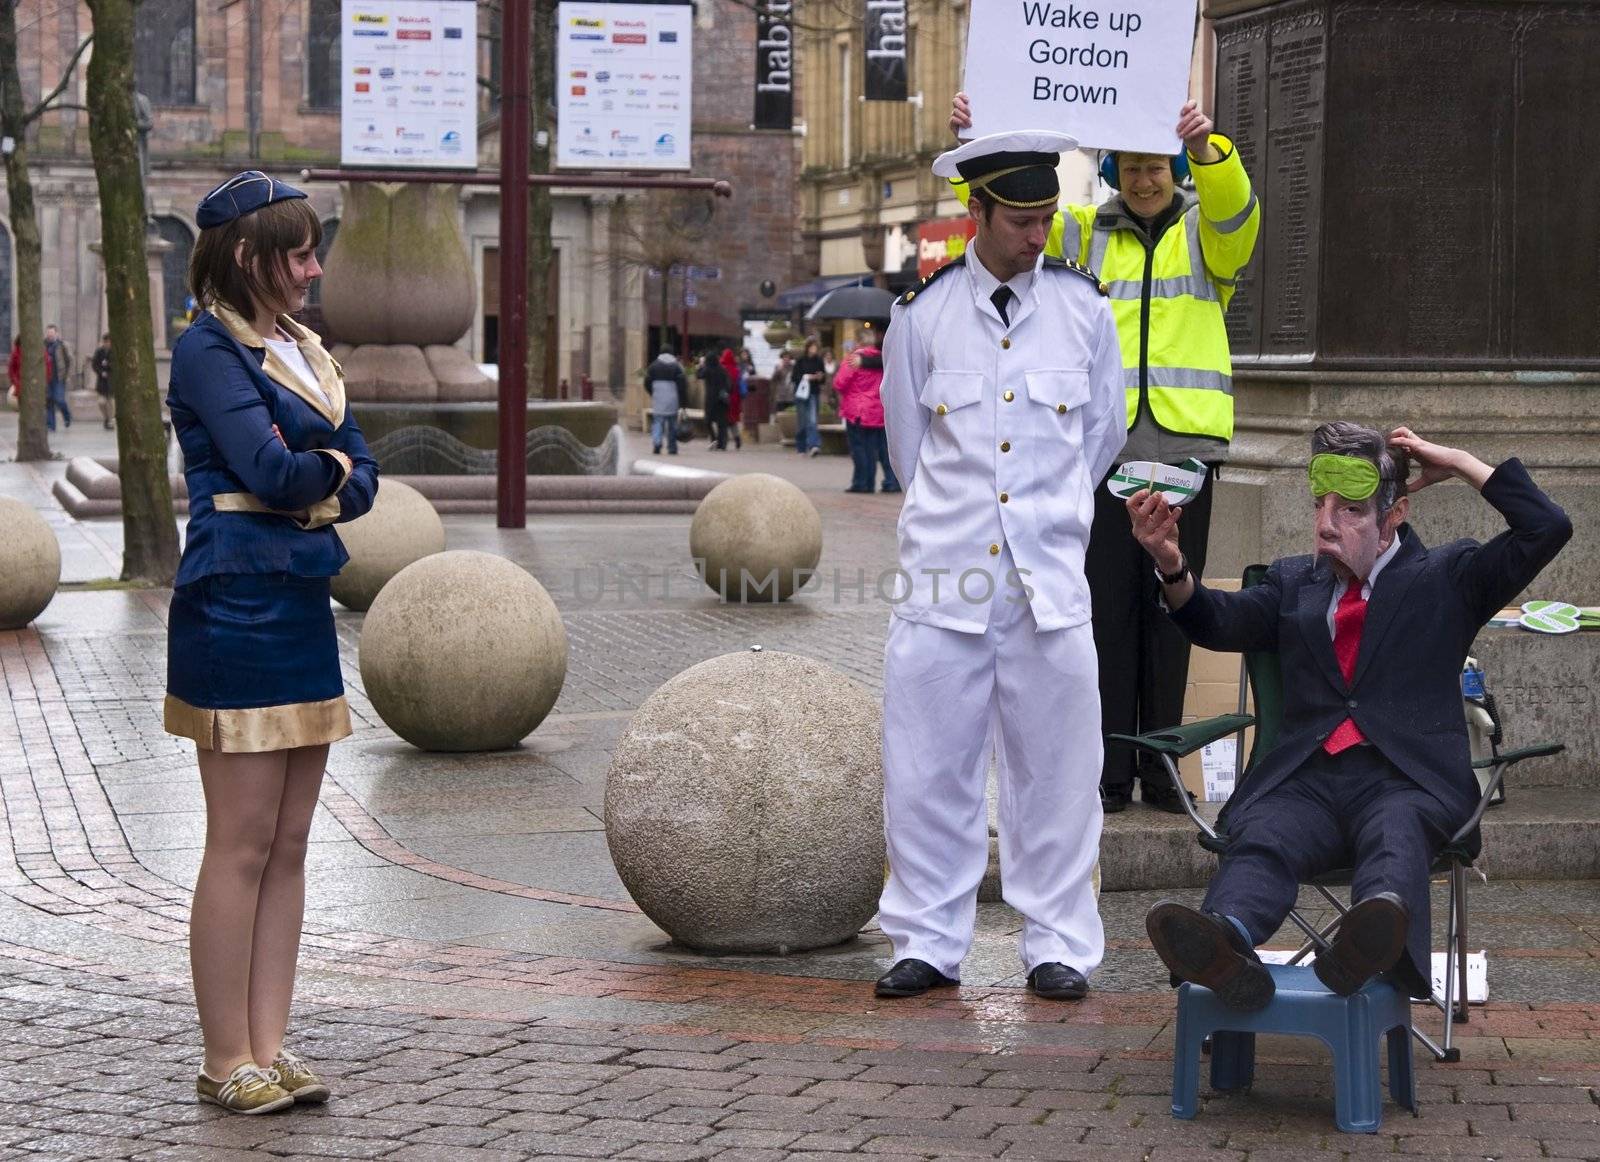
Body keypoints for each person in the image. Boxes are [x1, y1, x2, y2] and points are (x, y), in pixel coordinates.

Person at [1128, 423, 1570, 1009]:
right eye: (1320, 504)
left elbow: (1547, 527)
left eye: (1352, 509)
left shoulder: (1449, 576)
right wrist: (1171, 565)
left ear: (1395, 515)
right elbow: (1216, 620)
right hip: (1308, 782)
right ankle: (1223, 948)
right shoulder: (1293, 583)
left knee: (1396, 831)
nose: (1326, 524)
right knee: (1263, 837)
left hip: (1405, 779)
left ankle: (1366, 949)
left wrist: (1461, 461)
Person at [952, 93, 1260, 815]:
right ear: (1115, 168)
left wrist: (1211, 150)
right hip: (1104, 451)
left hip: (1185, 447)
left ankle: (1162, 771)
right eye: (1133, 166)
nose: (1146, 179)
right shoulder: (1084, 232)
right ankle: (1108, 773)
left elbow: (1237, 214)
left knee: (1171, 608)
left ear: (1174, 168)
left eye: (1157, 166)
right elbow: (1011, 217)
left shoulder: (1205, 236)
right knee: (1107, 611)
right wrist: (976, 140)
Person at [875, 130, 1125, 1003]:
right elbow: (910, 448)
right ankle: (927, 940)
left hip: (1048, 576)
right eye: (1020, 218)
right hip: (946, 571)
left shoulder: (1087, 312)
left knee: (1057, 773)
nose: (1037, 235)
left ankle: (1057, 943)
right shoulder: (922, 314)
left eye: (1047, 216)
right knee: (927, 767)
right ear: (974, 212)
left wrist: (1043, 518)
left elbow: (1101, 436)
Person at [165, 170, 379, 1113]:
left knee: (291, 842)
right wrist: (325, 472)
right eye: (297, 252)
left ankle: (268, 1040)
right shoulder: (210, 350)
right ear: (248, 257)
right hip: (233, 603)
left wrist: (320, 473)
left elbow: (358, 470)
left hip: (295, 600)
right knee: (242, 842)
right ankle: (225, 1055)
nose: (313, 268)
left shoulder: (298, 350)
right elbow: (267, 468)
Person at [832, 327, 899, 493]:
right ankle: (888, 482)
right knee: (880, 447)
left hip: (858, 411)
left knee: (860, 448)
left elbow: (839, 383)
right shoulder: (883, 359)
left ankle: (862, 483)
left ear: (859, 341)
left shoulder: (853, 360)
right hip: (879, 410)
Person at [643, 350, 687, 455]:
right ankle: (672, 448)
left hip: (658, 399)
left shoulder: (653, 366)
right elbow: (682, 385)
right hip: (673, 399)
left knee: (658, 422)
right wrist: (683, 402)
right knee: (672, 425)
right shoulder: (677, 366)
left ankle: (657, 442)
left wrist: (653, 392)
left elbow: (647, 382)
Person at [791, 338, 825, 456]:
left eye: (815, 347)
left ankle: (814, 445)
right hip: (801, 394)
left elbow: (823, 378)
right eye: (812, 347)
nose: (814, 349)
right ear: (807, 348)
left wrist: (820, 377)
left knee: (812, 420)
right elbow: (794, 377)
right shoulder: (800, 361)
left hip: (813, 392)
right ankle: (801, 447)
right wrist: (806, 377)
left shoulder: (819, 361)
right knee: (802, 421)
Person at [698, 352, 732, 450]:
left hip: (710, 399)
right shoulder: (723, 370)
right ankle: (722, 443)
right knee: (722, 423)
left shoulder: (707, 369)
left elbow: (699, 375)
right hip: (722, 399)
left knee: (708, 421)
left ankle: (714, 438)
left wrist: (701, 365)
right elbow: (730, 385)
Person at [8, 334, 52, 408]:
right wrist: (16, 382)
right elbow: (12, 369)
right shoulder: (16, 352)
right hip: (21, 385)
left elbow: (47, 367)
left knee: (36, 409)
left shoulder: (41, 351)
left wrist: (44, 382)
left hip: (37, 385)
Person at [43, 323, 72, 431]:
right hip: (47, 378)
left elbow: (70, 361)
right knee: (49, 400)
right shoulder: (43, 345)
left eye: (52, 333)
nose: (50, 335)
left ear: (56, 334)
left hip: (59, 378)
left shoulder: (62, 345)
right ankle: (51, 425)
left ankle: (67, 416)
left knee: (59, 399)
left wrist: (67, 375)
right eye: (48, 333)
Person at [719, 347, 744, 450]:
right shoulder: (736, 369)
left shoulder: (722, 368)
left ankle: (723, 441)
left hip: (725, 397)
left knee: (723, 419)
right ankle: (737, 437)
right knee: (732, 420)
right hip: (735, 397)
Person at [91, 333, 115, 429]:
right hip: (102, 381)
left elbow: (116, 364)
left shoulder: (114, 351)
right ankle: (106, 418)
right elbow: (94, 364)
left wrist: (107, 365)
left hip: (111, 381)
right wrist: (101, 372)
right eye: (105, 342)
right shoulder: (99, 351)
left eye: (108, 342)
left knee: (111, 402)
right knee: (101, 402)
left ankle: (110, 420)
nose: (107, 344)